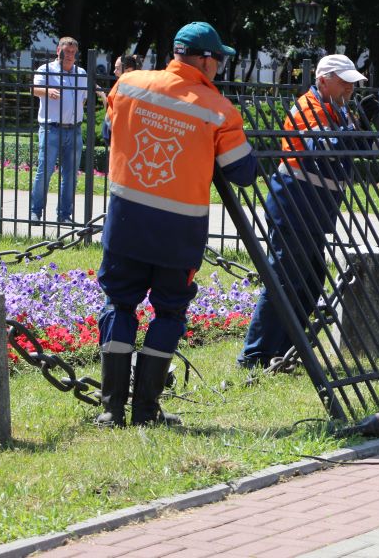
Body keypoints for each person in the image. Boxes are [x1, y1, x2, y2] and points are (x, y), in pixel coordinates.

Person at [95, 22, 257, 427]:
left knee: (119, 305)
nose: (220, 67)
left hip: (126, 221)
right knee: (168, 314)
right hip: (178, 232)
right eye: (218, 59)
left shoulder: (129, 84)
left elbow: (107, 131)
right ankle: (146, 412)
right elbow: (243, 172)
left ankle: (111, 409)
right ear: (204, 59)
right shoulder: (218, 109)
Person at [237, 54, 366, 370]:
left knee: (309, 282)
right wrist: (358, 128)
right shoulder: (307, 109)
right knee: (284, 279)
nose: (350, 87)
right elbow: (323, 146)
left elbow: (364, 148)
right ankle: (254, 355)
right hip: (293, 205)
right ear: (323, 80)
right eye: (344, 81)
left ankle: (279, 352)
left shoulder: (339, 110)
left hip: (313, 211)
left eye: (352, 82)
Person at [30, 36, 88, 225]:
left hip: (74, 130)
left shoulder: (81, 72)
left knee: (70, 176)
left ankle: (64, 215)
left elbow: (84, 98)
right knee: (44, 172)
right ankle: (35, 211)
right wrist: (48, 91)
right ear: (58, 51)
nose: (70, 55)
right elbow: (34, 88)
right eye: (67, 51)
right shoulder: (46, 69)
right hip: (51, 129)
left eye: (73, 52)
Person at [102, 54, 140, 145]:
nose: (114, 72)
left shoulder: (128, 86)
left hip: (117, 134)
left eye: (117, 68)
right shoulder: (123, 83)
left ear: (129, 70)